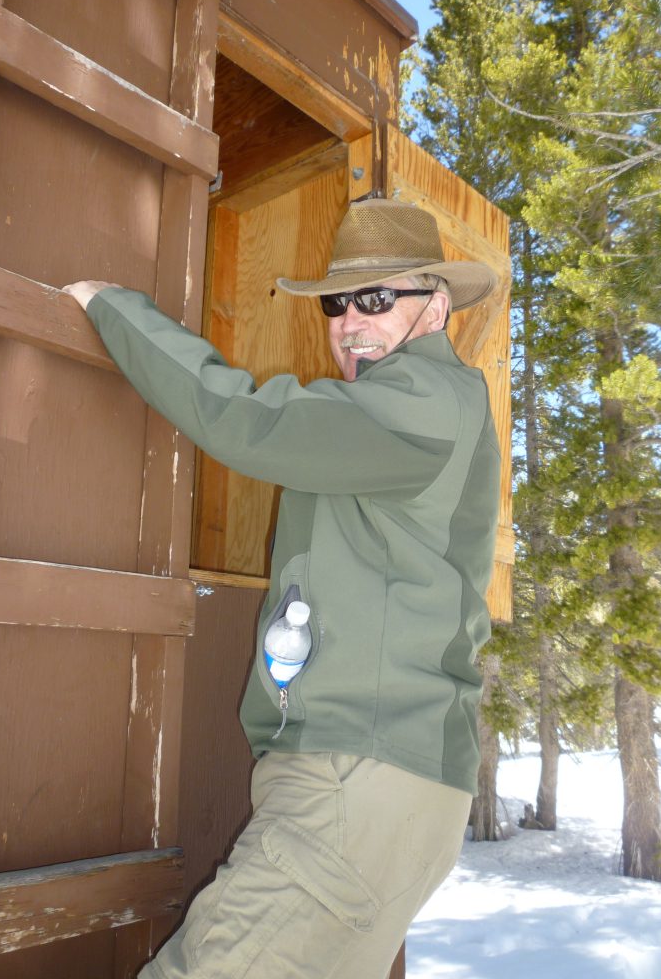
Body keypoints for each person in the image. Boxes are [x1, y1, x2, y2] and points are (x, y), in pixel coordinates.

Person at [63, 196, 501, 979]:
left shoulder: (427, 400)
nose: (349, 321)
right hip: (369, 788)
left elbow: (249, 421)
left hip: (357, 786)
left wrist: (112, 308)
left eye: (376, 299)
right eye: (337, 302)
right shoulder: (389, 414)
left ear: (435, 308)